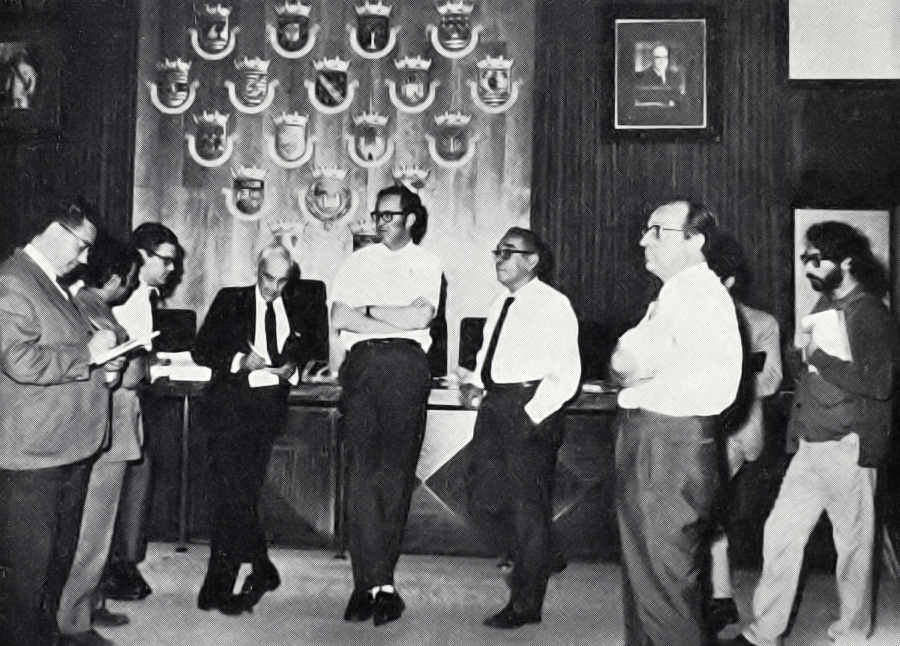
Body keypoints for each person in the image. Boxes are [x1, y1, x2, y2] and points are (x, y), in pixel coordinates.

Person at [725, 222, 900, 646]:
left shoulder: (870, 312)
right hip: (810, 446)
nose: (808, 267)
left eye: (817, 259)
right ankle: (765, 632)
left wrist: (819, 357)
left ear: (847, 262)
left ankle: (852, 633)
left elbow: (880, 383)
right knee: (780, 535)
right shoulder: (825, 305)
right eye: (806, 259)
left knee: (853, 548)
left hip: (848, 447)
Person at [610, 200, 742, 646]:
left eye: (657, 231)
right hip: (666, 441)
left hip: (666, 445)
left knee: (664, 593)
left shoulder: (691, 294)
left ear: (695, 240)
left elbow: (626, 364)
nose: (643, 240)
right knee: (650, 581)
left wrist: (625, 357)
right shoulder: (682, 293)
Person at [0, 202, 121, 646]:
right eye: (82, 246)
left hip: (64, 447)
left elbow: (62, 349)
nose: (86, 258)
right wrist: (87, 354)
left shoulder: (51, 281)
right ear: (54, 230)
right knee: (26, 581)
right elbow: (19, 360)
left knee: (53, 570)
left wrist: (102, 364)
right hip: (33, 457)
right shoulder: (13, 280)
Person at [191, 243, 328, 614]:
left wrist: (293, 367)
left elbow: (314, 347)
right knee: (231, 492)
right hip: (229, 409)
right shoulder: (230, 299)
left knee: (241, 492)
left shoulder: (301, 304)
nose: (274, 288)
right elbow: (202, 349)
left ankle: (257, 570)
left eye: (282, 282)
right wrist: (240, 360)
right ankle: (223, 581)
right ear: (257, 269)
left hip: (267, 411)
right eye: (269, 278)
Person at [331, 184, 442, 626]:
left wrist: (370, 309)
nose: (379, 223)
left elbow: (421, 317)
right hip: (362, 366)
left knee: (394, 476)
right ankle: (370, 585)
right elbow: (340, 317)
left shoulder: (427, 262)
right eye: (376, 215)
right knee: (360, 475)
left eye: (388, 215)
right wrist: (392, 314)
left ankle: (381, 584)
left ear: (410, 219)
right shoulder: (357, 262)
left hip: (405, 366)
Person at [460, 227, 581, 629]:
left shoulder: (553, 304)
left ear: (533, 260)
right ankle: (545, 551)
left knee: (527, 508)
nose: (500, 259)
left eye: (509, 252)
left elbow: (566, 373)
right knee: (482, 497)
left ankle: (526, 604)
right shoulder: (501, 303)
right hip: (496, 407)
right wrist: (475, 383)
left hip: (528, 408)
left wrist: (532, 415)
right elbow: (487, 354)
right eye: (497, 251)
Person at [57, 237, 143, 645]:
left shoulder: (92, 307)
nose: (132, 284)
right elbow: (126, 375)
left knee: (98, 531)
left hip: (110, 432)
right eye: (130, 277)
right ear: (115, 278)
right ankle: (74, 622)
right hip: (105, 434)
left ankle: (90, 604)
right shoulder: (89, 309)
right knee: (92, 533)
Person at [704, 233, 782, 634]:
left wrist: (730, 377)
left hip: (736, 433)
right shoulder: (690, 317)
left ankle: (719, 597)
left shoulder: (762, 324)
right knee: (706, 511)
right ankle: (717, 596)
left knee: (710, 509)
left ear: (729, 281)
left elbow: (771, 380)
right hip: (695, 430)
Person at [101, 222, 180, 602]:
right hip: (117, 401)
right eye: (165, 260)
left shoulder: (144, 297)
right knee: (124, 484)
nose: (172, 269)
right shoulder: (126, 297)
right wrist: (146, 364)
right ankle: (117, 566)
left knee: (136, 479)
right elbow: (125, 362)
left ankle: (123, 563)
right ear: (143, 256)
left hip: (131, 399)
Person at [633, 44, 686, 109]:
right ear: (651, 58)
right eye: (658, 57)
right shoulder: (640, 76)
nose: (662, 61)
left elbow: (680, 99)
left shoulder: (675, 76)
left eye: (665, 57)